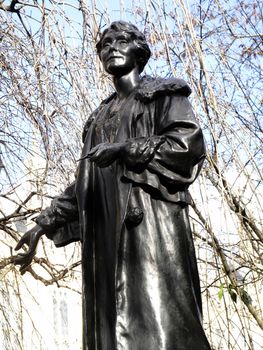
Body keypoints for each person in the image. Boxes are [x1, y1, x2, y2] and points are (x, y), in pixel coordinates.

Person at [13, 21, 211, 350]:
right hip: (105, 240)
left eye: (121, 41)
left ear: (139, 50)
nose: (112, 47)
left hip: (150, 236)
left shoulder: (162, 96)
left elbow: (186, 145)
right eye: (105, 44)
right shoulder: (97, 119)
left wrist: (124, 150)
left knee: (159, 328)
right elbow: (84, 183)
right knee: (111, 331)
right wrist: (42, 225)